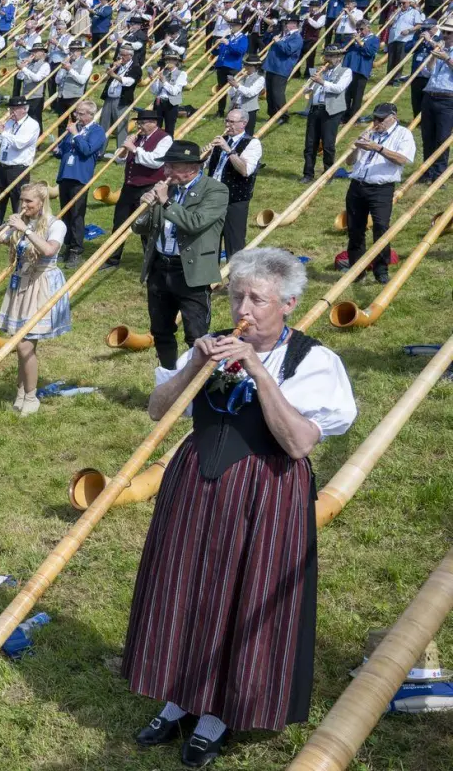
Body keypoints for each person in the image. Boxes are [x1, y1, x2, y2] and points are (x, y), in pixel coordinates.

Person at [125, 248, 356, 769]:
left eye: (257, 298)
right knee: (183, 584)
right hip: (198, 480)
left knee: (241, 594)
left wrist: (256, 368)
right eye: (235, 296)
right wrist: (198, 367)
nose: (243, 308)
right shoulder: (212, 347)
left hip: (265, 490)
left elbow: (297, 443)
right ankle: (178, 695)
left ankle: (218, 713)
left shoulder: (314, 363)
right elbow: (157, 410)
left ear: (289, 304)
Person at [133, 141, 229, 372]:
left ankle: (197, 386)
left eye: (172, 167)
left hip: (190, 271)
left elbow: (195, 223)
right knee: (160, 330)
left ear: (192, 168)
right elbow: (141, 229)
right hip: (159, 267)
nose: (166, 172)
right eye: (166, 167)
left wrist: (166, 201)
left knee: (196, 334)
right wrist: (145, 207)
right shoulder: (168, 190)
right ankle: (168, 377)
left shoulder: (215, 190)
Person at [0, 180, 71, 416]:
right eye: (22, 200)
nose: (23, 205)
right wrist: (0, 230)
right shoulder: (21, 223)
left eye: (28, 201)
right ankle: (21, 392)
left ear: (41, 202)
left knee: (25, 345)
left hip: (42, 285)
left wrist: (24, 230)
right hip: (22, 284)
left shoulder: (57, 225)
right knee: (20, 344)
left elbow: (48, 250)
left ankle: (32, 396)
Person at [341, 102, 416, 283]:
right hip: (357, 185)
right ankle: (356, 269)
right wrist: (357, 146)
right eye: (375, 118)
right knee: (355, 228)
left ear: (393, 118)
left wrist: (377, 147)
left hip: (381, 189)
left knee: (381, 228)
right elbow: (350, 163)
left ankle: (381, 270)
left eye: (381, 119)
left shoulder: (403, 134)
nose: (377, 122)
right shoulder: (370, 133)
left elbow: (402, 159)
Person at [104, 108, 173, 267]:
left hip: (149, 187)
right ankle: (112, 258)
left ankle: (150, 262)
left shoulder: (165, 138)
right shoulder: (136, 138)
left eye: (142, 123)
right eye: (138, 123)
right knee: (119, 222)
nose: (139, 126)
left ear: (154, 123)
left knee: (146, 225)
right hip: (129, 186)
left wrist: (134, 149)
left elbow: (156, 161)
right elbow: (122, 159)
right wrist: (123, 152)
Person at [203, 110, 264, 259]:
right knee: (210, 242)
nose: (228, 125)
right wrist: (204, 155)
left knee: (234, 244)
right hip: (212, 198)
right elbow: (204, 167)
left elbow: (245, 170)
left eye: (232, 122)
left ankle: (235, 281)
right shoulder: (221, 140)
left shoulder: (252, 143)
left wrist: (229, 151)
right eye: (226, 121)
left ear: (243, 124)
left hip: (235, 200)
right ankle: (210, 280)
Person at [53, 99, 104, 265]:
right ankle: (66, 246)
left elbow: (87, 150)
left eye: (80, 113)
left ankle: (76, 250)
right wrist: (57, 150)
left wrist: (75, 134)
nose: (77, 116)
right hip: (65, 175)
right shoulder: (75, 128)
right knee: (65, 213)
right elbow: (66, 149)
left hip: (80, 176)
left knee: (76, 215)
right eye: (76, 112)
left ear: (90, 114)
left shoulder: (97, 131)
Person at [300, 45, 352, 183]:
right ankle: (308, 174)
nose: (328, 59)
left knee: (328, 144)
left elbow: (338, 88)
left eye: (332, 56)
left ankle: (328, 174)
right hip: (315, 109)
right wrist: (309, 85)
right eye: (327, 56)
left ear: (339, 58)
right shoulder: (320, 71)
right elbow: (306, 90)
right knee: (310, 144)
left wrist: (321, 81)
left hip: (332, 111)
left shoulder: (346, 71)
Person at [0, 98, 39, 229]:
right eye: (10, 109)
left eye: (14, 109)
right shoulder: (9, 123)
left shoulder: (31, 125)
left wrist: (3, 133)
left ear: (24, 109)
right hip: (3, 166)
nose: (11, 112)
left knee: (19, 201)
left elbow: (19, 144)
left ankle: (19, 229)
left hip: (18, 169)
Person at [419, 21, 453, 183]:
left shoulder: (447, 54)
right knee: (428, 136)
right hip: (430, 95)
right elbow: (426, 72)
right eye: (444, 32)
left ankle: (439, 175)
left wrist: (447, 59)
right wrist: (433, 57)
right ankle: (426, 172)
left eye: (449, 33)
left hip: (448, 99)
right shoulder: (440, 49)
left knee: (442, 138)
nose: (445, 36)